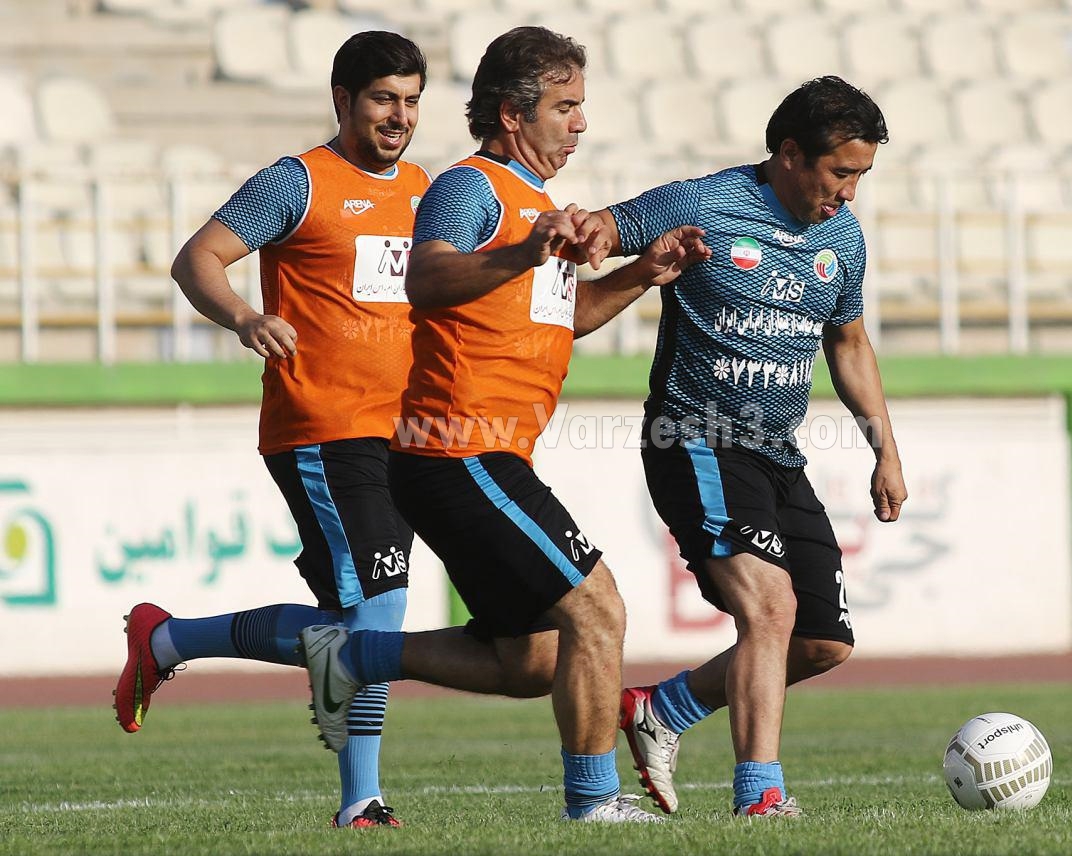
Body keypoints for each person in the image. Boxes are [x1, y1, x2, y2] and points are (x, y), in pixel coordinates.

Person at [296, 26, 708, 824]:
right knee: (598, 609)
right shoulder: (472, 186)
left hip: (484, 453)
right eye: (565, 106)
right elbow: (426, 277)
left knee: (531, 662)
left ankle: (351, 656)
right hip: (458, 448)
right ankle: (594, 803)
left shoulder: (538, 206)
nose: (580, 123)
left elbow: (563, 317)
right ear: (514, 115)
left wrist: (643, 273)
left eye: (580, 106)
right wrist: (521, 253)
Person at [112, 31, 431, 829]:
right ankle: (362, 801)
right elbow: (198, 259)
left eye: (412, 100)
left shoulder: (424, 187)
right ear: (343, 100)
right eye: (384, 99)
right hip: (323, 425)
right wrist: (245, 316)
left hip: (401, 433)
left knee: (354, 625)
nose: (400, 116)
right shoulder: (298, 182)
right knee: (383, 609)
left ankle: (166, 641)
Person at [593, 76, 908, 817]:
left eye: (861, 176)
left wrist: (885, 450)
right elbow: (604, 231)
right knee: (769, 606)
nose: (849, 193)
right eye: (841, 173)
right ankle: (760, 795)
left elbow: (849, 342)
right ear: (791, 154)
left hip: (778, 454)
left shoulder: (842, 238)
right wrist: (578, 231)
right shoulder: (702, 203)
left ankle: (662, 709)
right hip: (694, 438)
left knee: (822, 642)